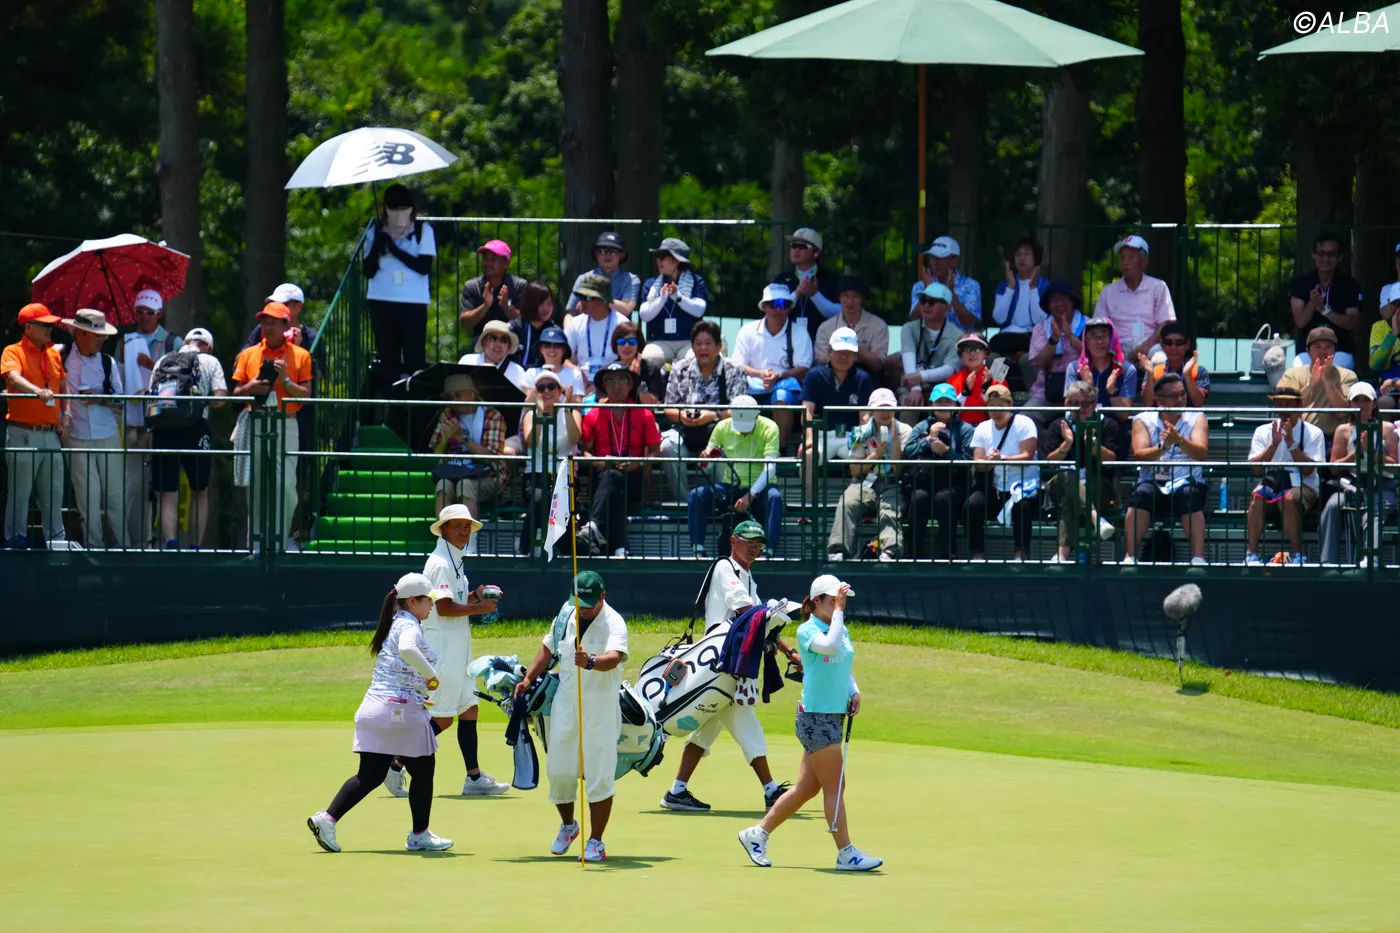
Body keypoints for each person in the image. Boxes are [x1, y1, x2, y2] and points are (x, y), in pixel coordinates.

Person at [738, 575, 880, 872]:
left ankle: (757, 834)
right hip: (816, 719)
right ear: (817, 601)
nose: (839, 604)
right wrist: (839, 612)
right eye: (833, 600)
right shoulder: (807, 630)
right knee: (836, 785)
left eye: (841, 600)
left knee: (806, 789)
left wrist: (853, 691)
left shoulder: (839, 627)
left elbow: (843, 663)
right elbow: (829, 647)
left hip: (832, 716)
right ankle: (846, 853)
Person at [307, 573, 452, 854]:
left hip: (376, 708)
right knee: (423, 770)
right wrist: (431, 676)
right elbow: (407, 649)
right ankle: (419, 835)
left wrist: (419, 692)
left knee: (371, 774)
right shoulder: (408, 625)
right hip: (399, 712)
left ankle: (327, 818)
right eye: (428, 600)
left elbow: (398, 668)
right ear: (413, 601)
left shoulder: (396, 622)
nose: (432, 605)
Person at [662, 520, 799, 813]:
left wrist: (788, 650)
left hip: (729, 665)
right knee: (747, 725)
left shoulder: (748, 577)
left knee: (706, 729)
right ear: (733, 541)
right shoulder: (725, 567)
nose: (754, 548)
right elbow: (748, 612)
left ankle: (677, 791)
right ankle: (771, 790)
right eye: (749, 542)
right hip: (721, 663)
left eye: (758, 544)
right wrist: (773, 614)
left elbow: (761, 622)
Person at [387, 505, 509, 799]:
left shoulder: (454, 560)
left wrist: (475, 596)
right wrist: (480, 608)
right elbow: (443, 608)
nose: (463, 531)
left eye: (466, 526)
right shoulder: (441, 562)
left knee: (469, 709)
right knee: (442, 718)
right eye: (457, 526)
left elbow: (454, 600)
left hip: (459, 650)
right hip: (443, 652)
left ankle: (474, 778)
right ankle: (394, 766)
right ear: (443, 529)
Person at [514, 570, 630, 863]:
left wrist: (591, 661)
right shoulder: (566, 614)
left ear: (602, 597)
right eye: (579, 603)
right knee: (559, 771)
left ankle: (596, 841)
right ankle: (569, 826)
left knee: (599, 775)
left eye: (589, 604)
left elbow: (615, 658)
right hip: (566, 704)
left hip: (601, 709)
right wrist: (528, 678)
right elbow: (547, 648)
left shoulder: (614, 622)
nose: (583, 609)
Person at [232, 302, 313, 552]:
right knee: (256, 486)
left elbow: (306, 395)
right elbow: (236, 393)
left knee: (286, 487)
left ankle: (279, 542)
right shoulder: (248, 354)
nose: (267, 327)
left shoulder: (301, 355)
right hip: (257, 420)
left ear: (285, 324)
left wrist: (285, 379)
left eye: (273, 322)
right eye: (264, 322)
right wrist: (251, 387)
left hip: (286, 422)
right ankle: (256, 545)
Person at [149, 328, 228, 550]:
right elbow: (220, 397)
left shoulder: (163, 360)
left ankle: (170, 541)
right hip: (195, 428)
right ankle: (195, 545)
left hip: (163, 428)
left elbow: (152, 395)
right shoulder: (211, 361)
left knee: (167, 491)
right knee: (200, 490)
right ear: (208, 347)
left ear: (185, 342)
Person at [575, 363, 662, 557]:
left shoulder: (644, 414)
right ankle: (620, 548)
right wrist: (598, 461)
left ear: (630, 385)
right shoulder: (593, 414)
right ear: (604, 387)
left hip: (634, 479)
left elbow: (655, 452)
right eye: (611, 381)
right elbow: (585, 452)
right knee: (613, 482)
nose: (616, 386)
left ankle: (593, 527)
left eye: (622, 380)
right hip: (601, 478)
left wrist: (638, 462)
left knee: (614, 480)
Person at [1122, 373, 1210, 566]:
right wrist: (1163, 447)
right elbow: (1139, 454)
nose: (1180, 399)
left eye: (1182, 394)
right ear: (1159, 400)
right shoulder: (1143, 419)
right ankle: (1130, 556)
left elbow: (1201, 453)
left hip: (1186, 481)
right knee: (1141, 495)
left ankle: (1198, 558)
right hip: (1152, 482)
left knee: (1189, 495)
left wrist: (1179, 440)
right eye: (1174, 396)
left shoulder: (1197, 417)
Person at [2, 303, 68, 550]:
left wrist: (66, 415)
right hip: (23, 433)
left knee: (54, 492)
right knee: (19, 492)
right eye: (44, 325)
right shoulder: (13, 351)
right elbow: (13, 377)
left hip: (51, 434)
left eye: (50, 324)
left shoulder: (53, 353)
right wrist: (37, 391)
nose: (50, 329)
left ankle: (56, 541)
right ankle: (15, 540)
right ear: (28, 327)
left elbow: (63, 385)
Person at [58, 309, 126, 548]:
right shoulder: (59, 354)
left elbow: (120, 398)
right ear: (80, 334)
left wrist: (99, 397)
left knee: (115, 495)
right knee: (88, 497)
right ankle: (94, 549)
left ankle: (124, 547)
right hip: (76, 437)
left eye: (103, 336)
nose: (102, 340)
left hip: (108, 434)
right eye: (97, 336)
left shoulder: (108, 362)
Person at [117, 288, 179, 547]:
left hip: (164, 421)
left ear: (160, 313)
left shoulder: (173, 343)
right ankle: (138, 541)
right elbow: (119, 379)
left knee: (164, 485)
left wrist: (151, 366)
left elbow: (180, 379)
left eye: (149, 312)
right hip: (134, 421)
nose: (143, 317)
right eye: (139, 311)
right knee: (135, 485)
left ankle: (166, 541)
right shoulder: (125, 342)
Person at [660, 319, 748, 499]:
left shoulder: (734, 369)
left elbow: (741, 409)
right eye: (698, 343)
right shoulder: (680, 368)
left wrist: (713, 416)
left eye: (708, 343)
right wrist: (682, 416)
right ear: (692, 347)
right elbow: (668, 407)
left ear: (719, 346)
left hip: (722, 431)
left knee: (722, 451)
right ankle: (685, 503)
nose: (703, 348)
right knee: (667, 447)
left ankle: (721, 502)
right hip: (686, 430)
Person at [688, 397, 784, 558]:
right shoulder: (722, 427)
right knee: (696, 495)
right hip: (729, 486)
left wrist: (751, 495)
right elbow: (707, 465)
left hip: (761, 489)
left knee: (774, 498)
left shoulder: (770, 427)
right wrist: (706, 460)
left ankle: (768, 551)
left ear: (757, 414)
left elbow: (770, 468)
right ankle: (698, 549)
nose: (744, 430)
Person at [363, 185, 435, 392]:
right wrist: (378, 245)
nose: (400, 213)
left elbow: (423, 266)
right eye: (394, 208)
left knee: (414, 356)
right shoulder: (374, 232)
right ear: (386, 209)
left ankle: (414, 402)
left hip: (413, 300)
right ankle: (390, 402)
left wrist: (394, 249)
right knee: (388, 357)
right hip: (381, 299)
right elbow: (368, 270)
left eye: (404, 208)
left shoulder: (423, 230)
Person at [1039, 380, 1119, 563]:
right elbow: (1050, 463)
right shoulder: (1058, 425)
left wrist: (1093, 445)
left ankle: (1062, 555)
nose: (1081, 408)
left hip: (1097, 484)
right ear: (1067, 403)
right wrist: (1067, 444)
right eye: (1075, 403)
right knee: (1067, 475)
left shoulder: (1107, 424)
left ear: (1095, 403)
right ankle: (1096, 519)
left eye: (1086, 403)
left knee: (1069, 497)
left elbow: (1112, 459)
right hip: (1060, 482)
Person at [827, 389, 911, 562]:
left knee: (889, 510)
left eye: (888, 408)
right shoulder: (860, 432)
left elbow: (898, 470)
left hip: (893, 482)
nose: (885, 412)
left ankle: (889, 551)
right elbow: (855, 470)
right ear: (871, 410)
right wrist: (876, 454)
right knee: (847, 503)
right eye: (880, 408)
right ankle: (838, 550)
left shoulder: (905, 431)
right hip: (865, 481)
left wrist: (895, 442)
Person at [1320, 382, 1399, 566]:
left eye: (1366, 400)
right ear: (1350, 403)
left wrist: (1373, 454)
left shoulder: (1387, 429)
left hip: (1382, 486)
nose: (1361, 405)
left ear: (1374, 403)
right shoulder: (1343, 430)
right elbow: (1334, 467)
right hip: (1353, 485)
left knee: (1374, 512)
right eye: (1357, 400)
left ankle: (1371, 558)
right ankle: (1328, 561)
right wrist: (1355, 455)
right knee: (1332, 507)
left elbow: (1394, 467)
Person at [1244, 387, 1325, 567]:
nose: (1284, 409)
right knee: (1257, 497)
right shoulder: (1263, 431)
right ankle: (1252, 554)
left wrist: (1291, 444)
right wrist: (1273, 446)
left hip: (1304, 485)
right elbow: (1256, 469)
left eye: (1289, 404)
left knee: (1287, 499)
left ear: (1300, 405)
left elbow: (1308, 470)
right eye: (1279, 404)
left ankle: (1297, 555)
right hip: (1273, 482)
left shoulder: (1313, 432)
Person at [731, 283, 812, 450]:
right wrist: (760, 374)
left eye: (783, 304)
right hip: (752, 385)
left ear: (789, 308)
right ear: (764, 307)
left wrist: (779, 376)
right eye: (773, 304)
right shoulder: (747, 330)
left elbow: (803, 367)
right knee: (740, 399)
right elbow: (737, 364)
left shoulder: (799, 332)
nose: (778, 309)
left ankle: (779, 451)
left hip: (785, 385)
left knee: (781, 396)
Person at [429, 374, 507, 545]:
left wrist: (462, 437)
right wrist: (445, 438)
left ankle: (468, 543)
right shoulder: (447, 414)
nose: (454, 401)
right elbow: (437, 453)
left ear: (472, 393)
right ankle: (445, 541)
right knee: (442, 485)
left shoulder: (492, 415)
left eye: (458, 395)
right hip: (454, 471)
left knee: (465, 486)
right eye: (450, 397)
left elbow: (491, 458)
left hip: (488, 475)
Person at [903, 383, 976, 559]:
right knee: (918, 498)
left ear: (955, 405)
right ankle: (912, 553)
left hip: (954, 482)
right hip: (925, 480)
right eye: (939, 402)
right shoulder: (921, 426)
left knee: (943, 499)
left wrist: (945, 451)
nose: (943, 406)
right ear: (931, 405)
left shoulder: (965, 429)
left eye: (947, 402)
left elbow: (967, 461)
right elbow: (908, 452)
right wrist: (928, 440)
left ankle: (948, 554)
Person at [968, 385, 1041, 561]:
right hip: (994, 488)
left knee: (1022, 506)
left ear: (1011, 404)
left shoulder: (1024, 423)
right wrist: (988, 463)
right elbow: (978, 463)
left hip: (1023, 486)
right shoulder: (982, 428)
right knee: (972, 505)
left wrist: (1002, 458)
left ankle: (1020, 555)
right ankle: (977, 555)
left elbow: (1027, 455)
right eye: (992, 407)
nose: (996, 412)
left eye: (1001, 406)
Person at [519, 368, 582, 556]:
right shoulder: (531, 415)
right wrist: (539, 413)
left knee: (560, 502)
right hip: (536, 474)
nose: (546, 391)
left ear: (559, 390)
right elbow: (531, 442)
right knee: (541, 498)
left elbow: (575, 438)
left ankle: (561, 551)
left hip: (564, 474)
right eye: (541, 388)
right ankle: (527, 548)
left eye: (551, 386)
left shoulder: (572, 412)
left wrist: (567, 409)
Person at [799, 327, 876, 482]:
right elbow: (807, 411)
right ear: (829, 352)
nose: (844, 357)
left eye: (849, 352)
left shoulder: (863, 378)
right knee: (808, 457)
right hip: (821, 435)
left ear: (855, 355)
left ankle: (856, 496)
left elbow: (864, 417)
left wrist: (863, 441)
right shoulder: (814, 375)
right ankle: (808, 497)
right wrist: (808, 438)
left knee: (864, 462)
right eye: (839, 351)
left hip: (850, 436)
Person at [1091, 234, 1175, 362]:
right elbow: (1099, 326)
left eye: (1131, 257)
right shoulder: (1108, 292)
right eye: (1122, 257)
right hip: (1117, 347)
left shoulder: (1158, 287)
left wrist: (1145, 347)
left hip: (1151, 345)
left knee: (1160, 361)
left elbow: (1166, 323)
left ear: (1144, 261)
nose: (1125, 262)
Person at [1289, 232, 1362, 370]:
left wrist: (1325, 310)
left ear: (1340, 257)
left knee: (1332, 371)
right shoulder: (1300, 283)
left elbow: (1351, 322)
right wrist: (1312, 303)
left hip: (1340, 351)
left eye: (1331, 254)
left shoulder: (1350, 285)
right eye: (1321, 254)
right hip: (1307, 351)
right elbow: (1300, 321)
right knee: (1300, 370)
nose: (1326, 259)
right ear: (1313, 255)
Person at [1273, 327, 1357, 445]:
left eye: (1328, 347)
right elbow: (1285, 407)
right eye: (1317, 347)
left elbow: (1342, 412)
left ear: (1335, 351)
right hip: (1298, 436)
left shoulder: (1348, 376)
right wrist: (1311, 384)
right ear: (1307, 351)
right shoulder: (1291, 374)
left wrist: (1327, 381)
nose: (1323, 352)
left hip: (1332, 439)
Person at [989, 236, 1049, 390]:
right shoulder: (1004, 285)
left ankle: (1034, 395)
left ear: (1035, 258)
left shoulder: (1045, 286)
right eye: (1018, 254)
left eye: (1027, 254)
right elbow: (998, 318)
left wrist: (1033, 288)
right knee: (994, 360)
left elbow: (1039, 320)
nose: (1022, 258)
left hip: (1030, 341)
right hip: (1005, 342)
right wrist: (1010, 287)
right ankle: (998, 394)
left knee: (1027, 360)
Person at [639, 237, 709, 365]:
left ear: (676, 261)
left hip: (689, 341)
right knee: (648, 358)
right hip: (660, 341)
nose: (658, 261)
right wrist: (661, 299)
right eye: (658, 257)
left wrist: (679, 297)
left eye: (662, 257)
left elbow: (699, 310)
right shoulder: (651, 284)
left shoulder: (696, 281)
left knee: (694, 359)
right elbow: (644, 315)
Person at [897, 282, 963, 409]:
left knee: (944, 405)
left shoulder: (957, 335)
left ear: (946, 307)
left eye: (931, 302)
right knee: (910, 405)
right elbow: (908, 360)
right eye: (923, 301)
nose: (926, 305)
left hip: (944, 387)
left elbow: (949, 369)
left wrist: (920, 376)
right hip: (912, 386)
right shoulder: (908, 328)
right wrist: (916, 389)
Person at [1025, 280, 1087, 415]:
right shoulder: (1040, 328)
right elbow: (1039, 363)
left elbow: (1093, 357)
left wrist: (1070, 336)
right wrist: (1054, 339)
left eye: (1063, 298)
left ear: (1072, 301)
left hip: (1083, 391)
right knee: (1026, 417)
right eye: (1054, 299)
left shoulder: (1088, 324)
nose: (1059, 304)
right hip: (1047, 392)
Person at [1076, 318, 1136, 453]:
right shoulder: (1075, 368)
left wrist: (1112, 392)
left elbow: (1124, 415)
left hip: (1114, 430)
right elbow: (1071, 410)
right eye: (1093, 336)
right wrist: (1088, 388)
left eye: (1104, 335)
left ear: (1112, 340)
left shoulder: (1127, 369)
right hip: (1083, 427)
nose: (1099, 341)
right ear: (1085, 341)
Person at [813, 275, 888, 379]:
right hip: (832, 376)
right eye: (845, 295)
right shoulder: (825, 327)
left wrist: (854, 348)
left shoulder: (879, 325)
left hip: (866, 376)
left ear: (863, 298)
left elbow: (878, 364)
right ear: (839, 297)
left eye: (855, 296)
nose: (850, 301)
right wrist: (844, 357)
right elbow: (820, 359)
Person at [773, 227, 841, 340]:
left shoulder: (830, 279)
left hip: (821, 342)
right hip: (787, 340)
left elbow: (840, 313)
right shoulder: (782, 279)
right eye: (793, 245)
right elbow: (774, 311)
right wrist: (797, 293)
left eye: (802, 247)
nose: (795, 250)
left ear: (816, 253)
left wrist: (815, 295)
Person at [565, 273, 630, 388]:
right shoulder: (574, 323)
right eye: (581, 297)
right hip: (581, 383)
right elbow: (561, 358)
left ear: (604, 300)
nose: (582, 302)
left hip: (612, 383)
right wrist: (577, 371)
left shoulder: (622, 324)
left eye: (588, 298)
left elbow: (630, 360)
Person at [458, 239, 527, 339]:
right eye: (485, 258)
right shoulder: (472, 286)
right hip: (481, 343)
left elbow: (527, 322)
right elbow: (465, 324)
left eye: (493, 259)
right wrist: (485, 306)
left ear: (506, 264)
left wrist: (507, 307)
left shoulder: (519, 286)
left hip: (513, 343)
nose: (488, 263)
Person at [909, 235, 980, 331]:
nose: (934, 262)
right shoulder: (920, 286)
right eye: (932, 257)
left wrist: (951, 293)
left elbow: (969, 322)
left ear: (954, 260)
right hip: (929, 339)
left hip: (960, 339)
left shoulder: (971, 286)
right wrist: (927, 292)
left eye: (939, 258)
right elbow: (914, 319)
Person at [565, 232, 641, 319]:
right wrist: (567, 327)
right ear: (596, 254)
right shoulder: (583, 279)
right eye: (603, 251)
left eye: (613, 252)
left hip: (618, 327)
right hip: (587, 326)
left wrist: (596, 299)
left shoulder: (631, 279)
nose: (608, 255)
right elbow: (571, 313)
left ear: (621, 256)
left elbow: (626, 310)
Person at [1137, 322, 1210, 408]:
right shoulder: (1154, 371)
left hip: (1190, 416)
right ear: (1162, 345)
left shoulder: (1199, 371)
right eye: (1168, 342)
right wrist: (1150, 375)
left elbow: (1198, 402)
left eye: (1179, 343)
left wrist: (1187, 375)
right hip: (1161, 415)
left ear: (1187, 344)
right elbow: (1147, 403)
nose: (1173, 347)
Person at [946, 332, 1008, 428]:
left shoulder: (997, 379)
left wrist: (986, 391)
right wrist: (964, 393)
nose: (972, 353)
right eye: (967, 349)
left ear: (985, 353)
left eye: (977, 349)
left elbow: (1002, 412)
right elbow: (948, 414)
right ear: (960, 354)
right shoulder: (952, 380)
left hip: (990, 429)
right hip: (960, 429)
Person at [457, 318, 529, 392]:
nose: (498, 344)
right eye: (493, 339)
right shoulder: (467, 362)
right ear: (484, 342)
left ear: (508, 346)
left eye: (504, 340)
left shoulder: (518, 372)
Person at [610, 321, 666, 406]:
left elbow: (651, 405)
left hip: (642, 414)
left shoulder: (651, 369)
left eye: (632, 342)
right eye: (621, 341)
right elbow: (602, 402)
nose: (626, 346)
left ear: (639, 345)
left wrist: (638, 382)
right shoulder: (608, 370)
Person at [511, 282, 563, 370]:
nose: (546, 308)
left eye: (549, 303)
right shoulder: (515, 328)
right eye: (541, 304)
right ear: (529, 303)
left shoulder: (555, 332)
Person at [526, 326, 587, 401]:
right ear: (541, 349)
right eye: (547, 346)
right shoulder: (531, 373)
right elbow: (528, 405)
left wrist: (563, 390)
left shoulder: (575, 374)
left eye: (557, 346)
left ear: (564, 349)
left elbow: (577, 407)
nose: (552, 350)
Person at [1371, 253, 1400, 410]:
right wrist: (1393, 334)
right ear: (1390, 304)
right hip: (1386, 387)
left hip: (1395, 382)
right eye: (1397, 304)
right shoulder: (1379, 327)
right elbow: (1375, 365)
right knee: (1384, 403)